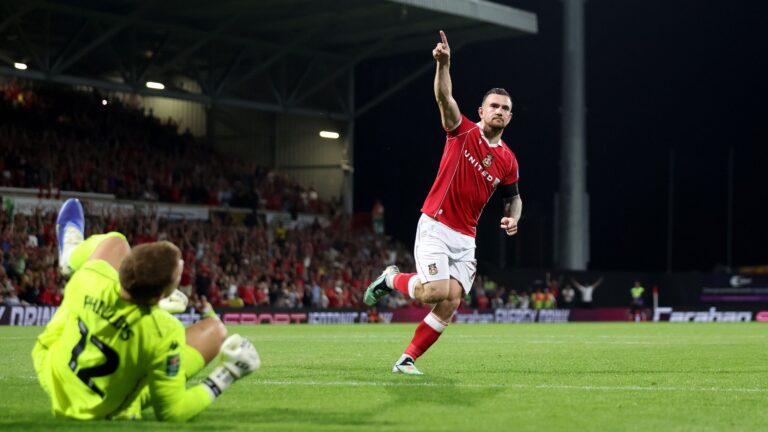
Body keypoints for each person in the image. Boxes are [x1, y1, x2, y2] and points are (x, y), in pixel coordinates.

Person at [363, 31, 522, 375]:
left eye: (505, 109)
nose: (499, 111)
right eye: (494, 106)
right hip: (436, 224)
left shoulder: (508, 160)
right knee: (433, 292)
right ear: (481, 111)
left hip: (466, 238)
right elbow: (443, 97)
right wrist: (444, 64)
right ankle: (391, 279)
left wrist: (514, 217)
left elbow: (514, 197)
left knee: (451, 302)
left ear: (510, 117)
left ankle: (406, 359)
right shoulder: (462, 131)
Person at [32, 199, 261, 421]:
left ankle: (69, 257)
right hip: (101, 411)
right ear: (160, 295)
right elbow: (172, 412)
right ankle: (129, 403)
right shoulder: (162, 330)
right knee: (215, 331)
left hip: (50, 371)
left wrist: (153, 304)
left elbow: (113, 273)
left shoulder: (90, 276)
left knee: (115, 241)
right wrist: (227, 374)